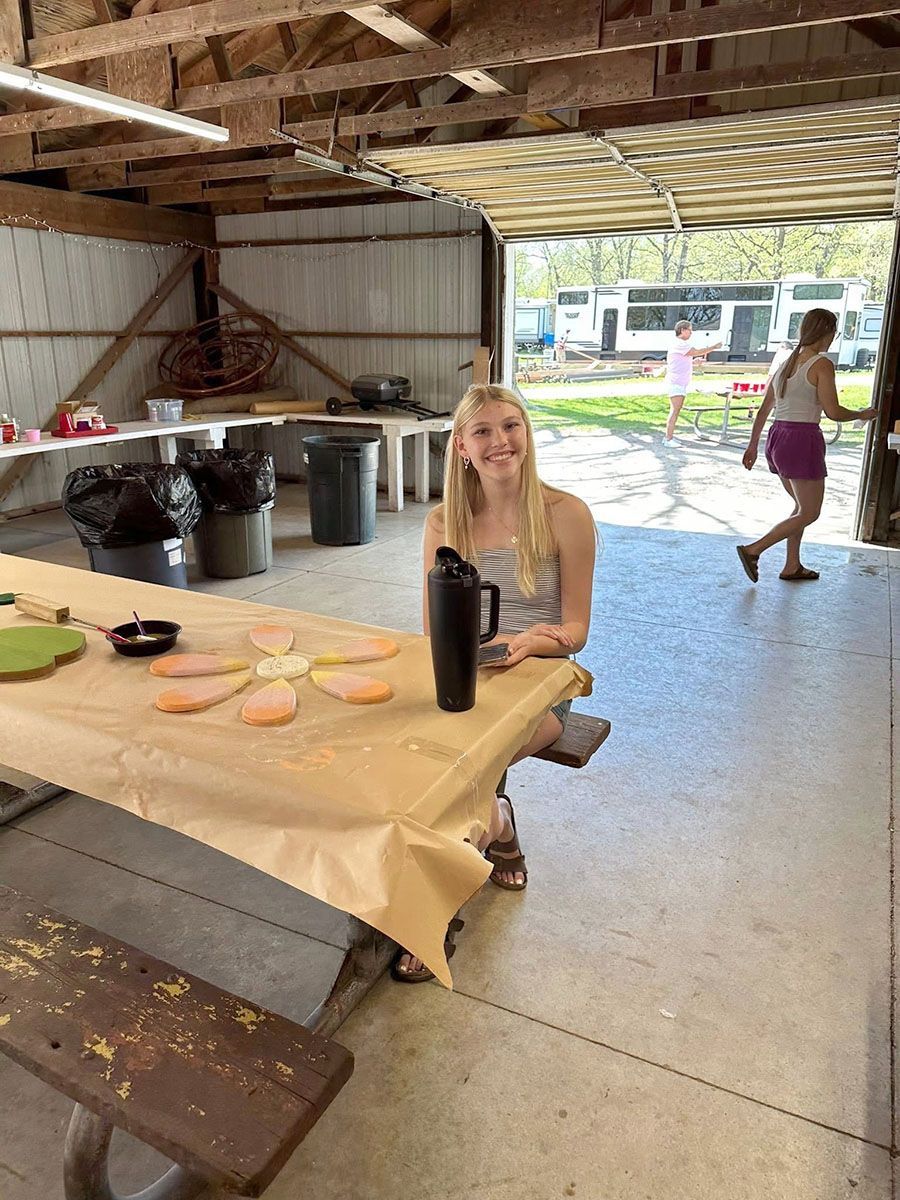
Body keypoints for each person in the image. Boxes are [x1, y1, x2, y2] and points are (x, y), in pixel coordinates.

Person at [392, 384, 597, 982]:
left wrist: (532, 641)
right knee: (409, 761)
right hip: (469, 675)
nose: (499, 441)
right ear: (461, 447)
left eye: (511, 426)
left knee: (460, 776)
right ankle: (500, 824)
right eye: (481, 431)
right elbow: (435, 631)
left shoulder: (566, 514)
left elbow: (577, 630)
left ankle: (435, 913)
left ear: (527, 434)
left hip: (540, 682)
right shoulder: (443, 521)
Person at [737, 308, 877, 583]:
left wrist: (753, 446)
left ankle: (792, 565)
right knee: (810, 512)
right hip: (802, 440)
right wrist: (862, 414)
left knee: (800, 507)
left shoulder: (786, 364)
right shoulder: (821, 365)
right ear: (827, 332)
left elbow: (765, 410)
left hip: (778, 438)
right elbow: (833, 412)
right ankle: (754, 550)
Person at [664, 320, 723, 446]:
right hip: (676, 382)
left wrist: (693, 362)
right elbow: (696, 351)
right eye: (690, 330)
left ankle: (670, 436)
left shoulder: (680, 344)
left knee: (675, 410)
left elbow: (681, 360)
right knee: (675, 410)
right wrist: (713, 347)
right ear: (682, 330)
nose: (691, 333)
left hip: (679, 382)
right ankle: (668, 439)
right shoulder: (679, 343)